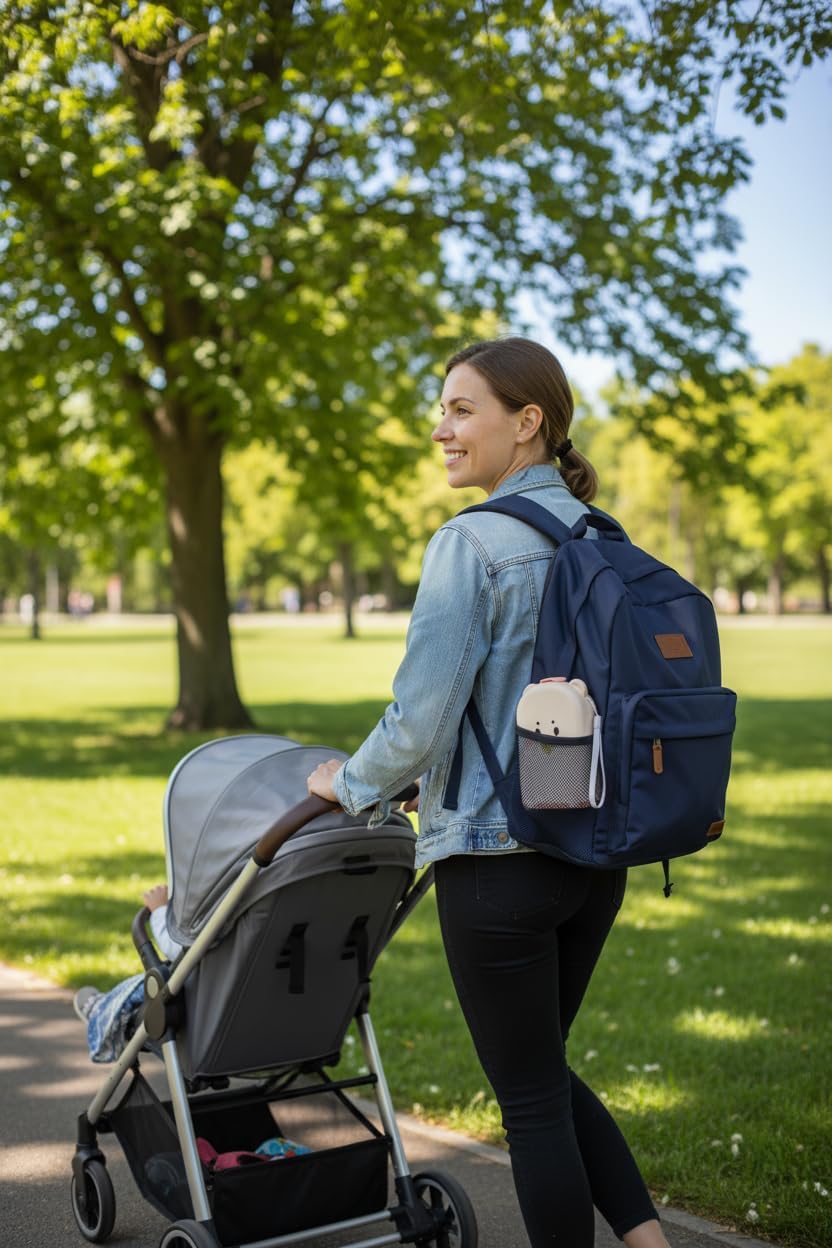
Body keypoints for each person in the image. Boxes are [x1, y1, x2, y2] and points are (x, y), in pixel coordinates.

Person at [307, 338, 670, 1248]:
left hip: (499, 863)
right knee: (544, 1073)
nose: (441, 430)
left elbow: (418, 723)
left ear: (528, 422)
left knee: (532, 1102)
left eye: (462, 410)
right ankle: (651, 1242)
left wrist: (345, 784)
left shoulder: (471, 544)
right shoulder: (604, 538)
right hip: (597, 859)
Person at [72, 884, 181, 1063]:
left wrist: (160, 909)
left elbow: (176, 945)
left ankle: (104, 1012)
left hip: (199, 1011)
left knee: (153, 984)